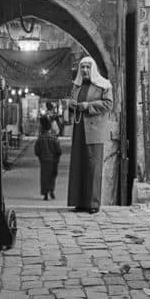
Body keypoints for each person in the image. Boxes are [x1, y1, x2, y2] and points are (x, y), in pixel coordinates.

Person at [66, 56, 113, 213]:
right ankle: (80, 202)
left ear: (92, 69)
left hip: (94, 130)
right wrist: (71, 105)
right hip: (79, 129)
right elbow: (72, 102)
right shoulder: (77, 86)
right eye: (82, 67)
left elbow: (108, 104)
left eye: (87, 67)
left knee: (93, 166)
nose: (85, 70)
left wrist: (88, 106)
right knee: (79, 164)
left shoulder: (103, 85)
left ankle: (93, 204)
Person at [34, 115, 62, 200]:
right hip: (53, 160)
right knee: (52, 176)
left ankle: (45, 193)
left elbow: (37, 150)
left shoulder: (40, 138)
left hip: (44, 160)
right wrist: (57, 158)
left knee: (44, 177)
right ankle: (51, 190)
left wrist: (40, 156)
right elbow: (59, 150)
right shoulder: (54, 138)